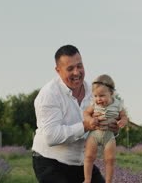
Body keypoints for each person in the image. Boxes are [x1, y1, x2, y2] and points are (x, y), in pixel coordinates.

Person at [32, 44, 118, 183]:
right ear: (58, 71)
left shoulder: (94, 92)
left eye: (79, 66)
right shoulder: (49, 95)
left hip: (81, 163)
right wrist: (85, 126)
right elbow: (52, 137)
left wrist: (113, 128)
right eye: (70, 69)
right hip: (50, 162)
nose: (77, 72)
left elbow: (103, 123)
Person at [84, 74, 128, 183]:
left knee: (110, 159)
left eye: (101, 96)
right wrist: (90, 120)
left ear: (111, 93)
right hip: (94, 134)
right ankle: (87, 179)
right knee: (89, 156)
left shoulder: (117, 104)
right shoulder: (94, 104)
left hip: (109, 135)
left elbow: (124, 116)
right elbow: (86, 113)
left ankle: (108, 181)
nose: (98, 99)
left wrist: (123, 121)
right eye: (95, 96)